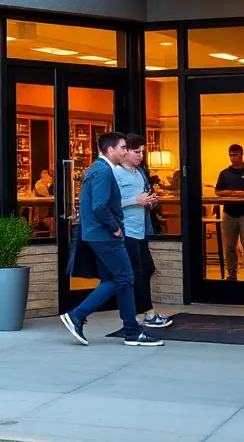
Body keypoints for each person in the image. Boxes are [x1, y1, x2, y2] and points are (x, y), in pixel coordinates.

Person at [60, 132, 163, 348]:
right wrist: (115, 228)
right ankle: (77, 315)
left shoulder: (97, 169)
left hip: (98, 234)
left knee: (117, 279)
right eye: (123, 148)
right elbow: (99, 206)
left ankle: (131, 331)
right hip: (104, 235)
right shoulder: (104, 171)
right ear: (110, 150)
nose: (126, 152)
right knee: (125, 277)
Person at [115, 134, 171, 329]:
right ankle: (148, 313)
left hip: (141, 230)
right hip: (126, 230)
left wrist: (150, 201)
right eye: (136, 152)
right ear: (126, 151)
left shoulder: (140, 172)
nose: (140, 155)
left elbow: (142, 197)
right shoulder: (116, 173)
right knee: (138, 271)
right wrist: (135, 201)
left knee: (147, 268)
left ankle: (135, 311)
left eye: (142, 152)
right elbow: (110, 203)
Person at [215, 144, 244, 282]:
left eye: (235, 155)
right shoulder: (225, 173)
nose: (232, 158)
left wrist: (230, 192)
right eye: (230, 155)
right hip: (229, 213)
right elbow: (218, 192)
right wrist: (239, 193)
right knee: (230, 246)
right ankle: (232, 275)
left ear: (241, 154)